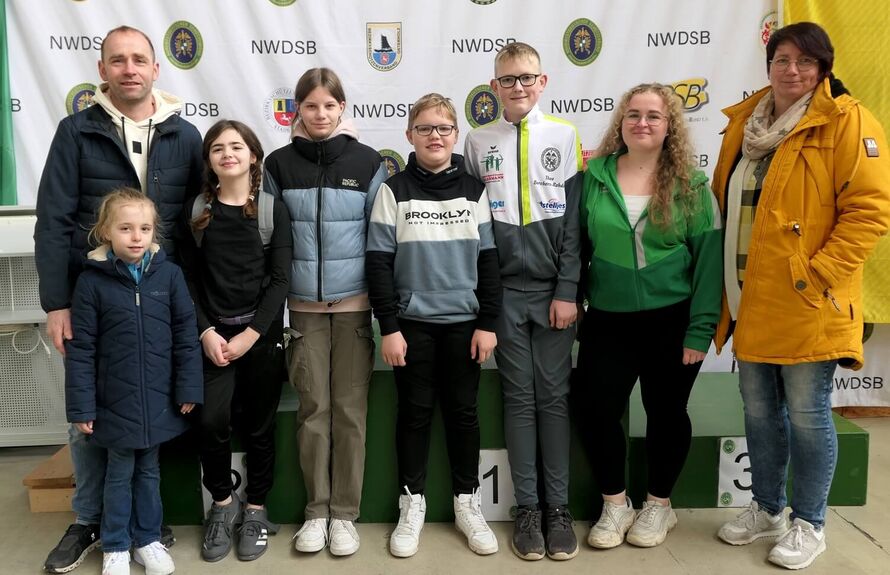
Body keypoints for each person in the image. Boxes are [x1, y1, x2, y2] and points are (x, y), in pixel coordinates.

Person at [711, 22, 890, 570]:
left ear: (823, 68)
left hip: (810, 301)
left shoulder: (847, 121)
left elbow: (870, 211)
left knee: (809, 415)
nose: (792, 70)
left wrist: (818, 275)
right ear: (768, 64)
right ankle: (768, 509)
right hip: (750, 297)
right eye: (782, 59)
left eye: (805, 61)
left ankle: (809, 522)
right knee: (760, 412)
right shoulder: (746, 121)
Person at [33, 25, 203, 573]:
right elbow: (53, 220)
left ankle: (142, 525)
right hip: (93, 300)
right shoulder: (76, 131)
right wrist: (56, 304)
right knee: (88, 415)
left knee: (150, 409)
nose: (129, 69)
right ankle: (91, 520)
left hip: (159, 298)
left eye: (138, 59)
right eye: (118, 60)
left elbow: (197, 224)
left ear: (156, 68)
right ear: (102, 70)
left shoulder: (184, 134)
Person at [577, 83, 722, 550]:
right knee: (597, 410)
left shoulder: (692, 186)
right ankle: (615, 504)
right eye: (633, 114)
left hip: (672, 321)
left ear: (669, 126)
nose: (642, 123)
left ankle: (659, 505)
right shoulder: (593, 177)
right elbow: (575, 250)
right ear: (621, 122)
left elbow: (709, 264)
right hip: (608, 319)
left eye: (654, 116)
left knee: (666, 413)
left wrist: (700, 329)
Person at [366, 93, 502, 558]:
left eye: (443, 128)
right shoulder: (393, 190)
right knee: (415, 414)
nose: (435, 136)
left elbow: (489, 262)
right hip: (411, 326)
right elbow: (378, 263)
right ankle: (412, 504)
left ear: (455, 134)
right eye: (424, 128)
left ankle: (467, 502)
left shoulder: (475, 191)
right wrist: (389, 326)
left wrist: (488, 322)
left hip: (465, 325)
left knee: (464, 414)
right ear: (410, 135)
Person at [463, 41, 582, 561]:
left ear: (542, 81)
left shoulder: (565, 134)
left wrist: (568, 289)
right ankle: (528, 510)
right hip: (505, 293)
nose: (518, 87)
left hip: (554, 294)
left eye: (526, 77)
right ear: (494, 86)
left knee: (553, 398)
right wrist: (488, 300)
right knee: (518, 398)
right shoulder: (477, 140)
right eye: (508, 79)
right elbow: (476, 227)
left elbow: (573, 225)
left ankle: (559, 509)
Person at [263, 67, 388, 557]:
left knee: (350, 413)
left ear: (342, 108)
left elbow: (380, 238)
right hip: (303, 311)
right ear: (297, 109)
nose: (320, 114)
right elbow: (271, 239)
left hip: (354, 308)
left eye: (329, 105)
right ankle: (316, 512)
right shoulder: (277, 164)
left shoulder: (367, 161)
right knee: (314, 410)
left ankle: (344, 516)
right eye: (310, 105)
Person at [64, 188, 203, 575]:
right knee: (119, 473)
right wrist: (82, 407)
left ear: (154, 231)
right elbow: (82, 349)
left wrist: (188, 388)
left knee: (149, 471)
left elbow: (185, 335)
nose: (136, 236)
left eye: (144, 228)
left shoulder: (169, 276)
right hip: (113, 401)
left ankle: (147, 540)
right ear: (106, 232)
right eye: (125, 228)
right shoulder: (91, 283)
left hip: (158, 398)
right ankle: (115, 544)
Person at [179, 120, 292, 562]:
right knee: (211, 422)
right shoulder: (196, 212)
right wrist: (206, 331)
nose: (228, 154)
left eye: (237, 146)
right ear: (209, 160)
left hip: (259, 338)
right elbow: (188, 279)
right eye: (218, 148)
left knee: (260, 427)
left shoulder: (271, 211)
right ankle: (223, 506)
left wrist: (251, 334)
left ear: (253, 156)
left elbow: (280, 280)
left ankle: (257, 509)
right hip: (213, 340)